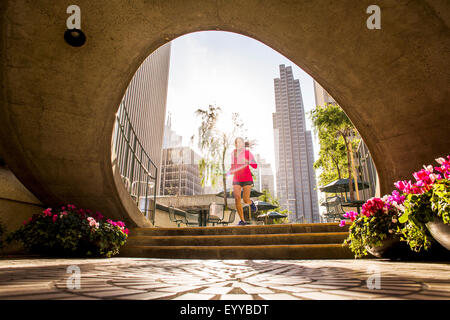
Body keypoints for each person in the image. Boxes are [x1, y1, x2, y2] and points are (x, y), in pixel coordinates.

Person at [226, 137, 258, 225]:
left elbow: (255, 166)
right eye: (236, 142)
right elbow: (233, 166)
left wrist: (248, 161)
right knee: (237, 198)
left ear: (243, 144)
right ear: (235, 145)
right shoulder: (233, 153)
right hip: (237, 178)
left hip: (247, 178)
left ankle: (251, 203)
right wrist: (227, 174)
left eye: (240, 142)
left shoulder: (248, 153)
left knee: (245, 199)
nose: (238, 144)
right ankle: (242, 220)